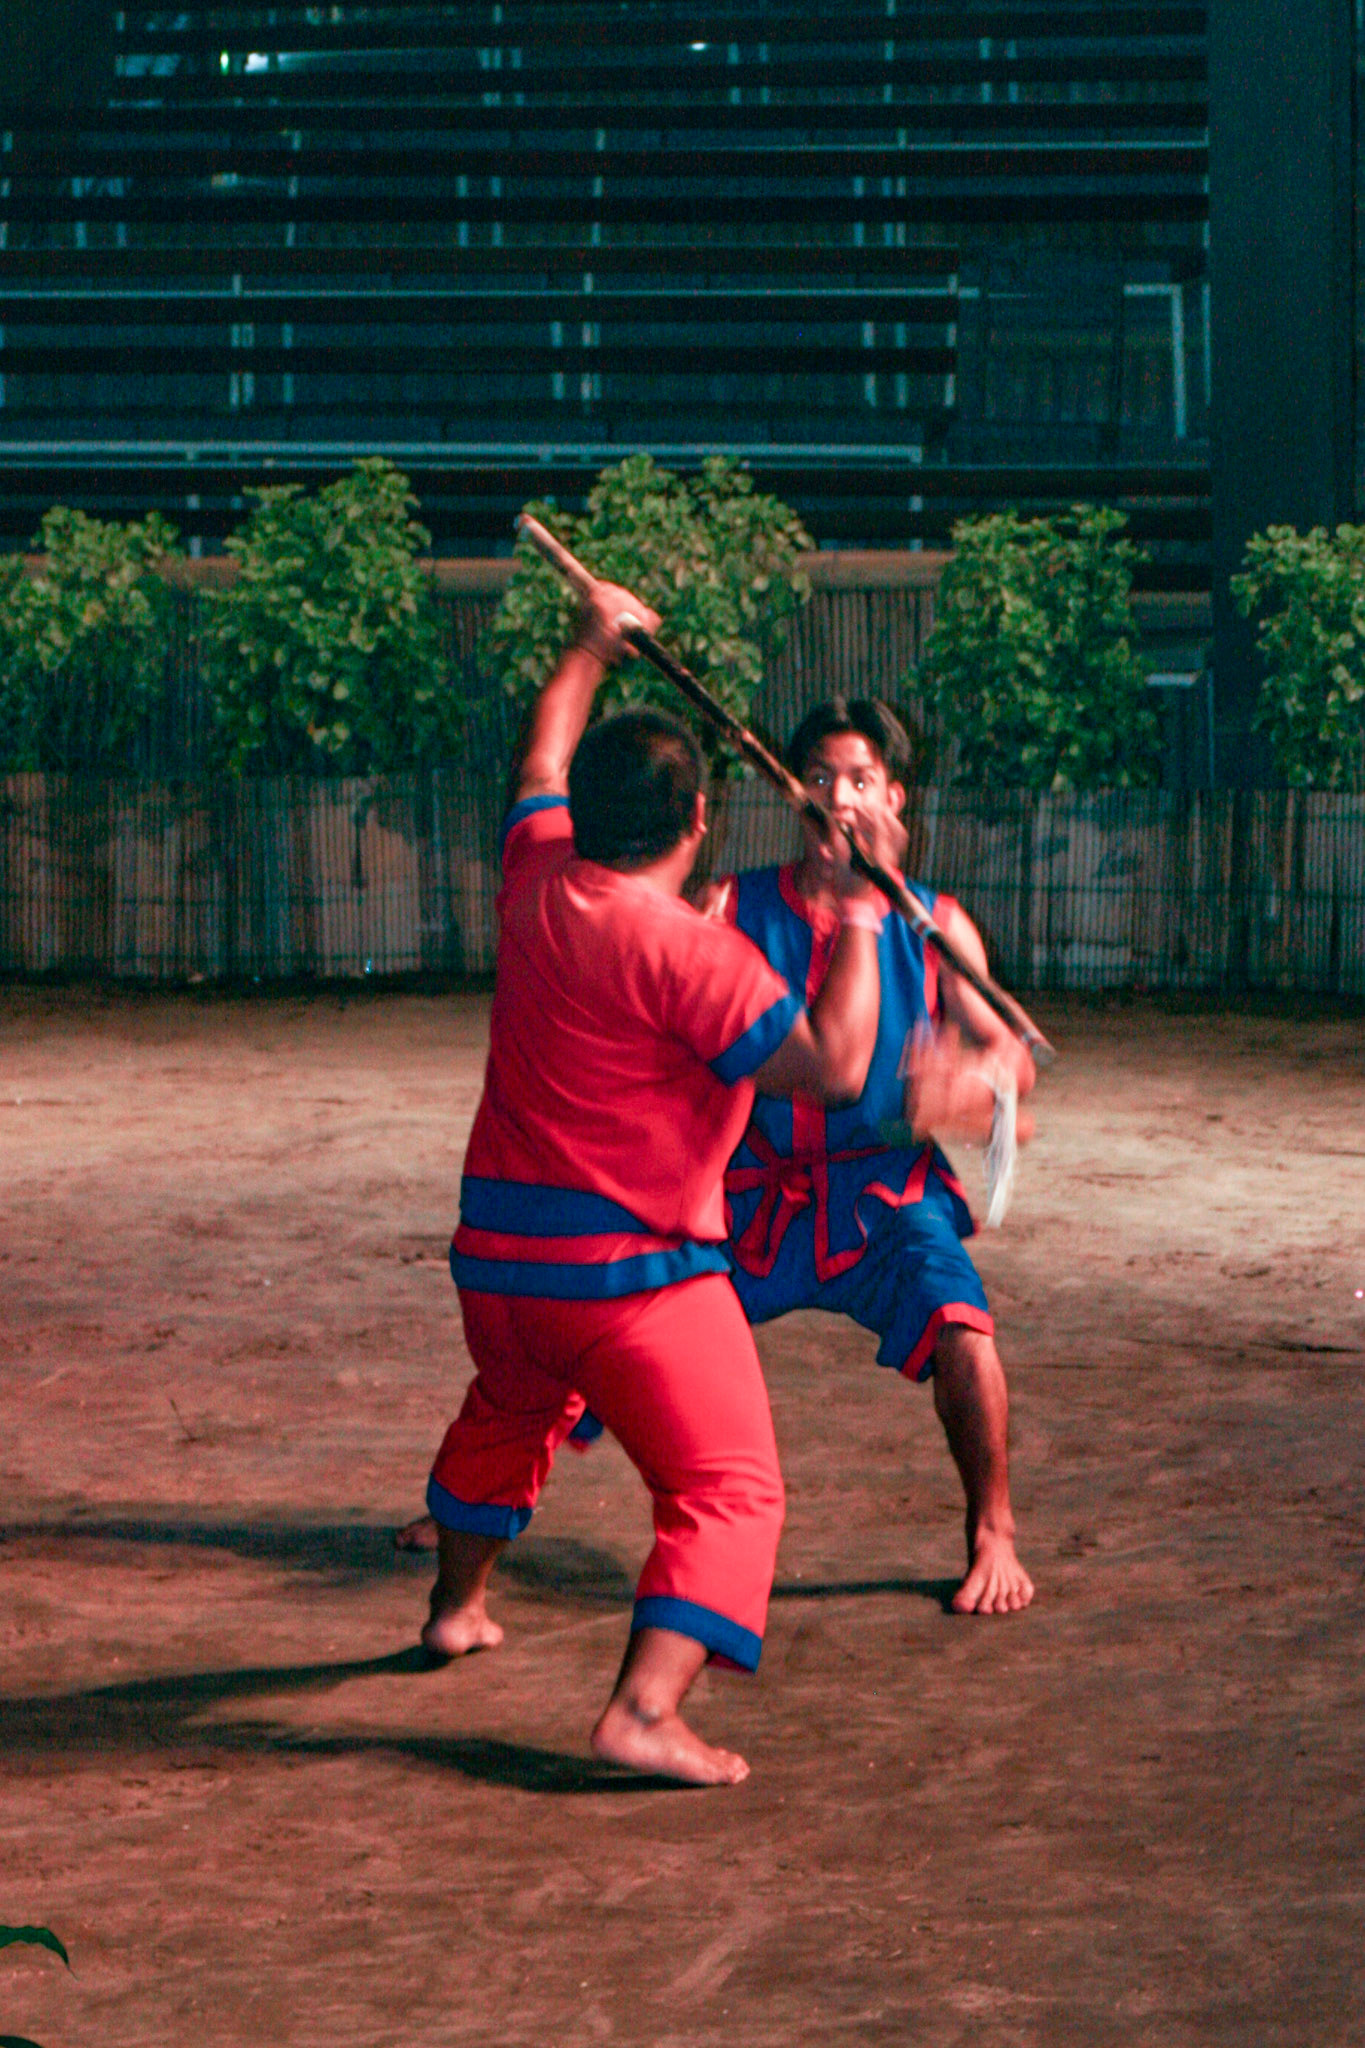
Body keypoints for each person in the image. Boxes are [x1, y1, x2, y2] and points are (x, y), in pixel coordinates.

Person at [419, 578, 885, 1786]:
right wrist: (863, 916)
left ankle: (456, 1607)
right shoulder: (694, 951)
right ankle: (643, 1706)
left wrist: (588, 644)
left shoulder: (534, 874)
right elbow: (834, 1071)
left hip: (499, 1267)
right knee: (731, 1487)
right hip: (631, 1280)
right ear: (695, 815)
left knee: (505, 1414)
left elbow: (542, 751)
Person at [715, 697, 1036, 1616]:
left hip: (882, 1195)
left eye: (860, 780)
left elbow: (1008, 1058)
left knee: (963, 1326)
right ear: (791, 794)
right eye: (818, 777)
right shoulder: (731, 906)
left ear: (896, 799)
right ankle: (488, 1502)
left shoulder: (936, 925)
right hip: (750, 1194)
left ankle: (993, 1529)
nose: (839, 798)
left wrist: (971, 1086)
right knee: (619, 1310)